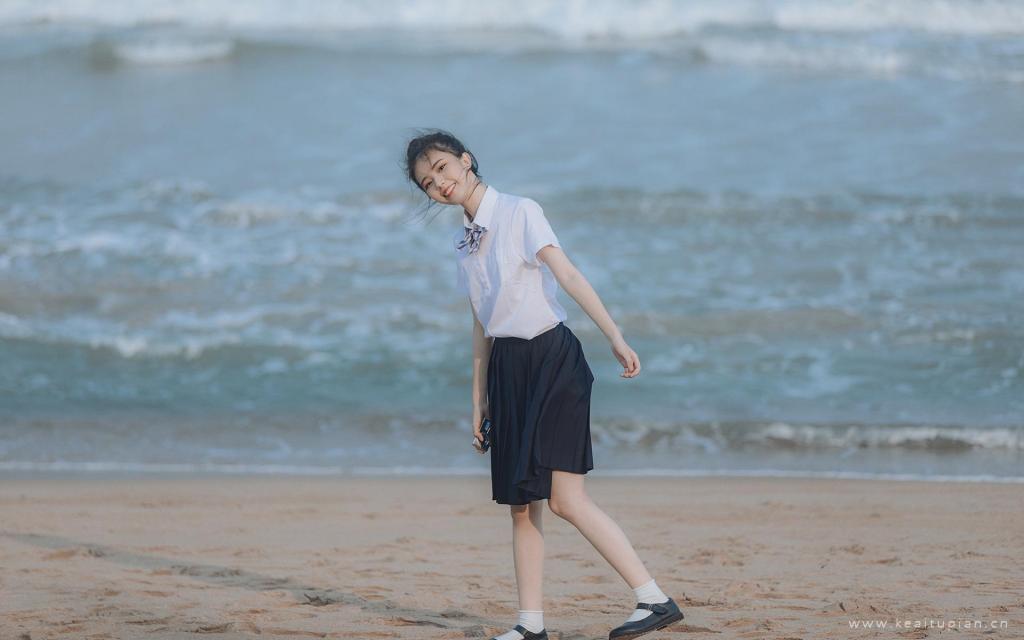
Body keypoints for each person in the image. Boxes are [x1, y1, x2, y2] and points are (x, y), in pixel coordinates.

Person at [403, 129, 684, 640]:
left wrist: (615, 336)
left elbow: (569, 276)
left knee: (564, 499)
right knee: (520, 506)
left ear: (465, 160)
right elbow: (480, 323)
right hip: (508, 368)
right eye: (427, 182)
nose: (439, 184)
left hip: (552, 359)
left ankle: (654, 599)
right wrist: (478, 400)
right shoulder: (463, 242)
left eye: (442, 168)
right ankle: (530, 626)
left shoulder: (520, 211)